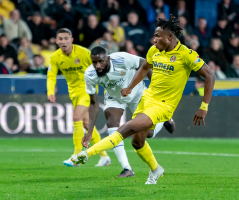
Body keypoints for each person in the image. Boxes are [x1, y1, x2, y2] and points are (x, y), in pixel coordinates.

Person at [72, 15, 215, 185]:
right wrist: (131, 87)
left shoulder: (187, 55)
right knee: (138, 142)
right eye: (154, 36)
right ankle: (156, 170)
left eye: (157, 36)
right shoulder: (154, 51)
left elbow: (210, 76)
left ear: (169, 37)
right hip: (147, 98)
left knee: (126, 128)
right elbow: (144, 67)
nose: (154, 40)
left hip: (164, 105)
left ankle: (86, 154)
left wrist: (204, 106)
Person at [84, 46, 176, 177]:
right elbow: (93, 103)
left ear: (108, 59)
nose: (98, 65)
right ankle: (127, 169)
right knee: (111, 120)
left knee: (147, 133)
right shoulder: (89, 74)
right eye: (94, 62)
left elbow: (145, 64)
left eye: (101, 62)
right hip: (114, 97)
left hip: (136, 92)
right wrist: (90, 132)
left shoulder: (122, 59)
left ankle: (163, 118)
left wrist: (155, 91)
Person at [47, 28, 110, 167]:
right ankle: (104, 156)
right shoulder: (55, 57)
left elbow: (99, 65)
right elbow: (51, 76)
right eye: (60, 39)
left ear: (71, 40)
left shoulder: (83, 53)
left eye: (66, 38)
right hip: (74, 93)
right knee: (87, 125)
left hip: (88, 90)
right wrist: (50, 91)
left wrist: (106, 82)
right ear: (56, 41)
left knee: (76, 118)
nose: (63, 41)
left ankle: (76, 156)